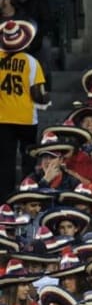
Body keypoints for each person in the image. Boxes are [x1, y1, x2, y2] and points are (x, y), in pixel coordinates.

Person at [0, 19, 49, 202]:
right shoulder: (31, 62)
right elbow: (38, 94)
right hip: (26, 118)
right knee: (28, 158)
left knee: (5, 162)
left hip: (2, 118)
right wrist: (46, 99)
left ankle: (5, 200)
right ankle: (28, 193)